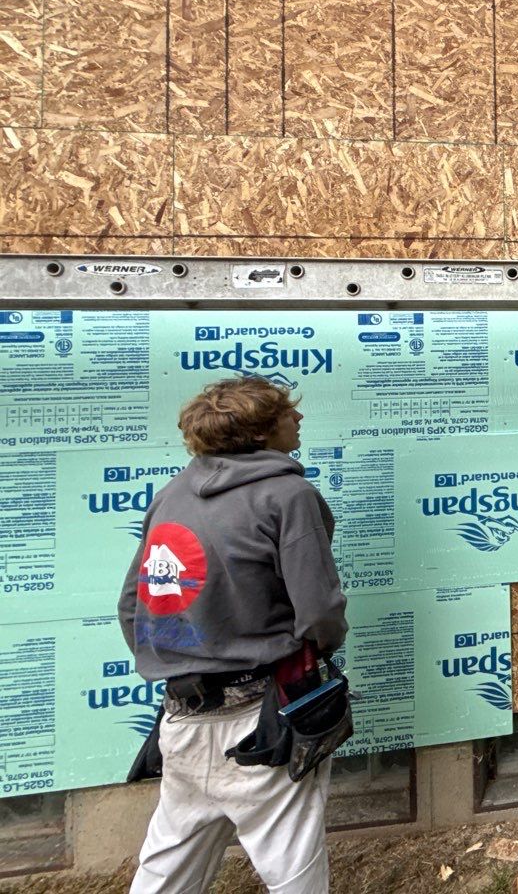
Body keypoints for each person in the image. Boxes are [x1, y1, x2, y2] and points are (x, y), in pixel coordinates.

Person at [118, 376, 348, 894]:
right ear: (261, 431)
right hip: (262, 719)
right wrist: (315, 656)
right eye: (289, 411)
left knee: (166, 870)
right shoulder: (288, 495)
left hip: (181, 718)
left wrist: (180, 666)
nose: (299, 418)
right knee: (293, 867)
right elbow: (319, 611)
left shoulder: (172, 493)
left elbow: (133, 604)